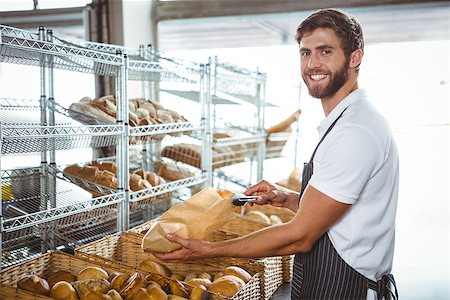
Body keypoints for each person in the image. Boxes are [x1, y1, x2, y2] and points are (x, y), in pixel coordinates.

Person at [153, 8, 399, 300]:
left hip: (346, 289)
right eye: (305, 53)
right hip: (329, 283)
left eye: (325, 51)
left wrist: (210, 251)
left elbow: (301, 236)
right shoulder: (348, 121)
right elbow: (342, 217)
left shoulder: (354, 131)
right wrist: (290, 199)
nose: (312, 63)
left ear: (354, 58)